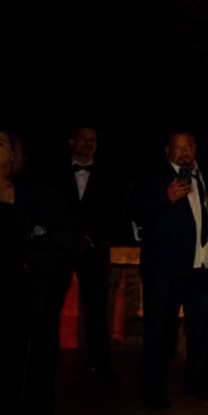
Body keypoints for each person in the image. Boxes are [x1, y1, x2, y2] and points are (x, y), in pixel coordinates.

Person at [0, 124, 80, 415]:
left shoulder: (38, 197)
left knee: (29, 386)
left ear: (13, 154)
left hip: (25, 309)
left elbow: (68, 238)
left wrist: (33, 259)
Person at [130, 130, 208, 409]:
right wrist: (167, 197)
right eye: (179, 147)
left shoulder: (207, 174)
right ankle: (153, 390)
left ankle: (197, 382)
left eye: (189, 146)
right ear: (167, 151)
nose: (185, 152)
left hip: (202, 267)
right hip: (165, 271)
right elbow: (135, 209)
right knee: (160, 331)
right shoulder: (154, 177)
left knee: (201, 331)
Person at [57, 124, 125, 386]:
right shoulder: (57, 173)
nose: (88, 142)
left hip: (95, 251)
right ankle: (46, 360)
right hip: (61, 249)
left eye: (92, 139)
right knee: (51, 305)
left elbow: (114, 212)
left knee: (97, 310)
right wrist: (68, 238)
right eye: (83, 138)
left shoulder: (109, 175)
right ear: (71, 142)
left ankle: (101, 365)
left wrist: (90, 238)